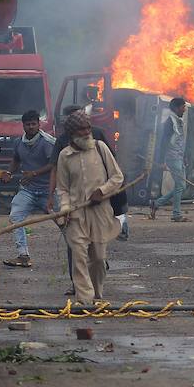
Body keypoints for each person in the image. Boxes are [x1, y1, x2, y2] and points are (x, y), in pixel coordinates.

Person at [56, 109, 124, 304]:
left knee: (99, 259)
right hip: (76, 215)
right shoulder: (64, 156)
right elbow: (62, 188)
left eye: (88, 128)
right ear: (72, 134)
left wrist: (102, 191)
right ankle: (84, 299)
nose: (87, 132)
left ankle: (97, 295)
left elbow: (117, 177)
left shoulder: (100, 148)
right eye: (81, 129)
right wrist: (65, 208)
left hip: (100, 213)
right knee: (78, 257)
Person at [1, 110, 56, 268]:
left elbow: (53, 165)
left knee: (64, 222)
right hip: (28, 190)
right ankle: (23, 256)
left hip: (48, 190)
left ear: (39, 124)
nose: (31, 127)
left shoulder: (47, 142)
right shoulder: (19, 142)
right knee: (16, 218)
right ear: (23, 125)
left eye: (34, 124)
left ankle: (83, 253)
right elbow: (16, 159)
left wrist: (35, 173)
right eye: (28, 124)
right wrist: (9, 172)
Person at [151, 98, 189, 222]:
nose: (184, 109)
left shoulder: (178, 121)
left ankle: (157, 203)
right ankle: (176, 214)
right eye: (183, 107)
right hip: (173, 158)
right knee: (180, 186)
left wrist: (185, 157)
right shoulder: (170, 122)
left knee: (181, 186)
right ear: (177, 108)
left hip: (179, 157)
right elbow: (163, 142)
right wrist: (162, 161)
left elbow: (180, 141)